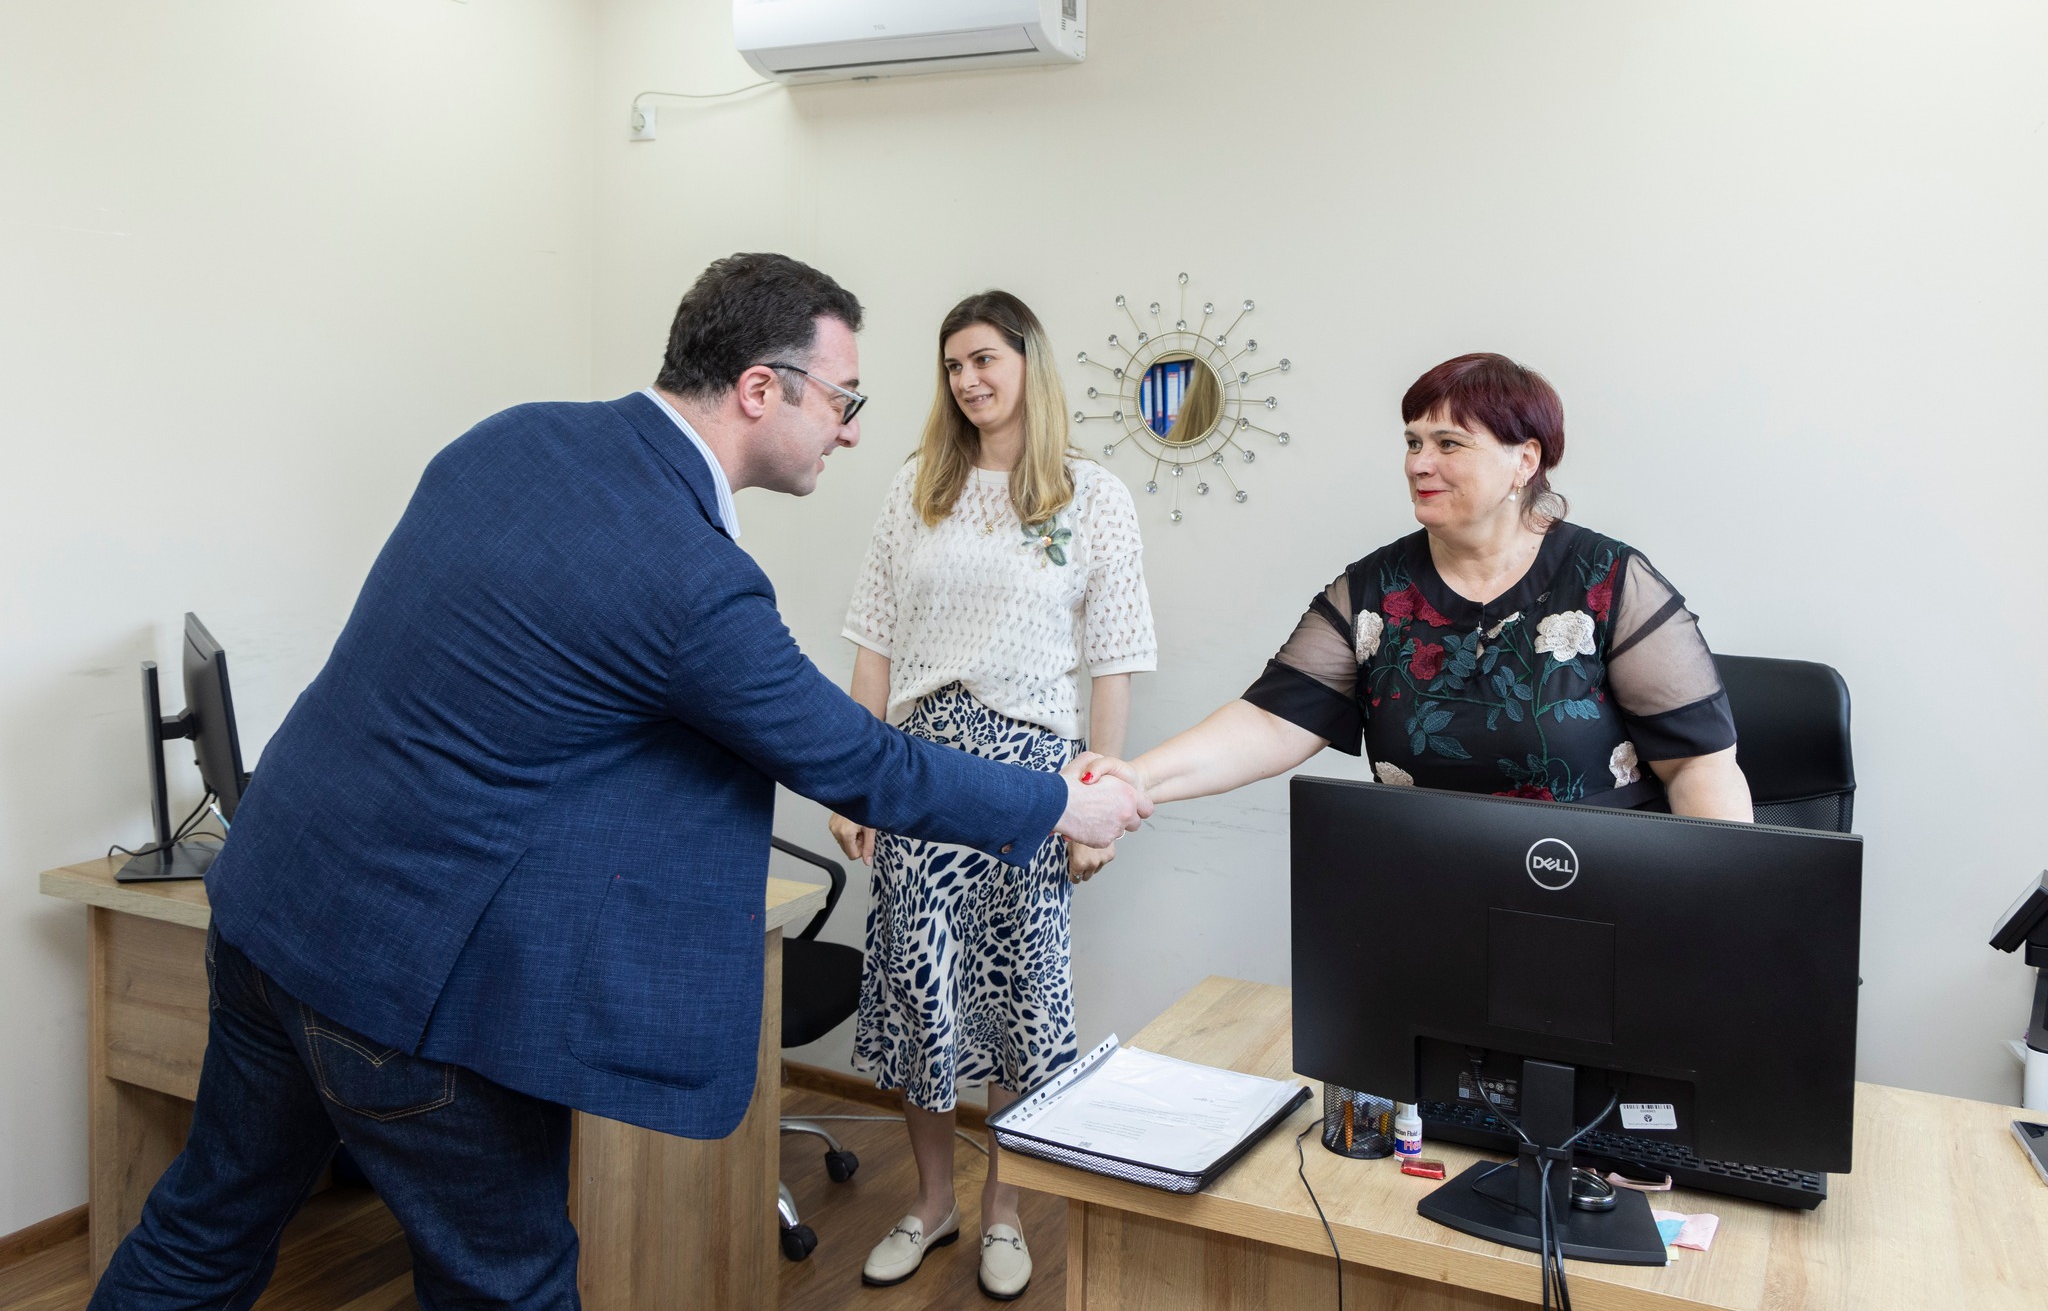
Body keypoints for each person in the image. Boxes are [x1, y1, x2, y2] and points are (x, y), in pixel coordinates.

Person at [88, 254, 1149, 1311]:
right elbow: (858, 759)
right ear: (760, 389)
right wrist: (1062, 801)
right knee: (509, 1288)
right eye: (843, 399)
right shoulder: (691, 576)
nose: (853, 430)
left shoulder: (514, 438)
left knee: (202, 1232)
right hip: (405, 979)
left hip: (271, 904)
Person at [828, 290, 1156, 1300]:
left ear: (1026, 363)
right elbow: (873, 645)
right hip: (919, 769)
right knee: (923, 992)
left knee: (1021, 998)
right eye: (952, 366)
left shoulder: (1091, 496)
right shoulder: (916, 487)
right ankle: (933, 1204)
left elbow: (1114, 661)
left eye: (984, 360)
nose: (968, 381)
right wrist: (853, 781)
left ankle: (1005, 1212)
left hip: (1033, 781)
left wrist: (1100, 799)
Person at [1107, 351, 1752, 820]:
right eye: (1413, 442)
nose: (1419, 463)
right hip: (1427, 887)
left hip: (1595, 890)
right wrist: (1134, 778)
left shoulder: (1607, 580)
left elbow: (1699, 763)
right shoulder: (1375, 590)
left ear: (1525, 460)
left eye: (1449, 443)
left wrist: (1712, 917)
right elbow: (1272, 722)